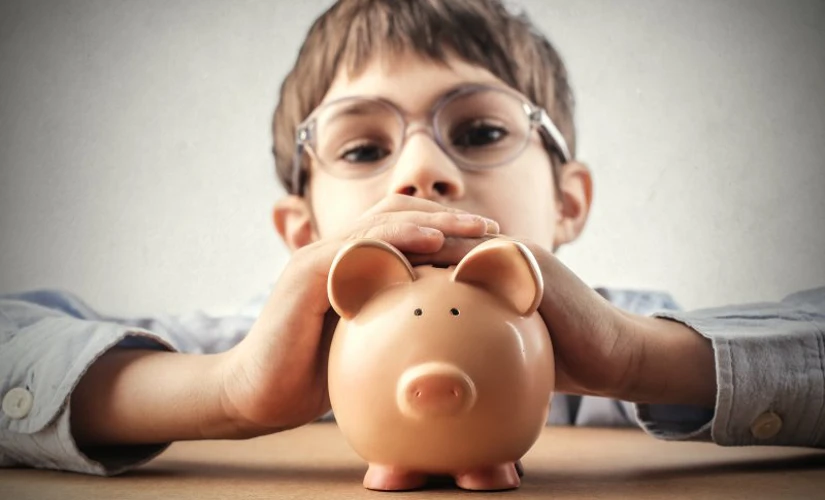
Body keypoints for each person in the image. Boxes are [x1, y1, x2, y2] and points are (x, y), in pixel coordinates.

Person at [1, 0, 823, 481]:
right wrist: (218, 393)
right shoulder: (242, 353)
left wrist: (645, 361)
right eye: (362, 148)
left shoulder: (636, 343)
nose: (423, 171)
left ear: (568, 203)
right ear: (303, 235)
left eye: (477, 131)